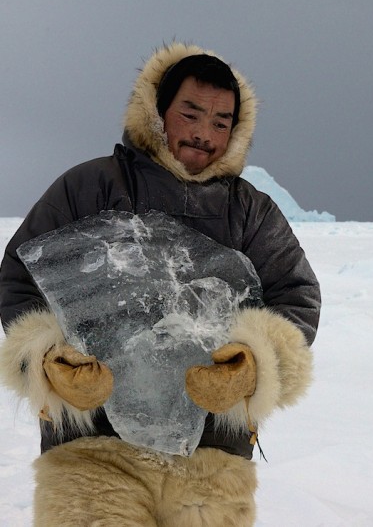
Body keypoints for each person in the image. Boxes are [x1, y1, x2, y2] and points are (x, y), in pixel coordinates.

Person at [0, 42, 320, 526]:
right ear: (156, 112)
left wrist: (253, 366)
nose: (203, 134)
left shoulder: (251, 211)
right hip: (92, 453)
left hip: (214, 458)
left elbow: (295, 296)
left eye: (220, 122)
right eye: (190, 114)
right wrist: (48, 361)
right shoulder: (88, 187)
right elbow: (18, 280)